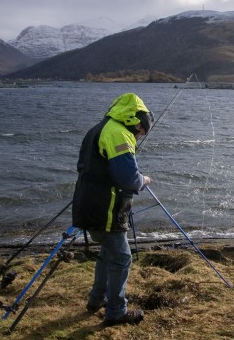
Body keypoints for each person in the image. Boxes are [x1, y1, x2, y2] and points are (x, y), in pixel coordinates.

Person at [72, 92, 153, 326]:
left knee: (108, 254)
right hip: (105, 210)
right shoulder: (119, 133)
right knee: (122, 258)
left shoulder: (100, 128)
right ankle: (116, 312)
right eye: (141, 132)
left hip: (88, 203)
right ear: (138, 121)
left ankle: (97, 299)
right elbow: (128, 178)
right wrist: (143, 180)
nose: (139, 137)